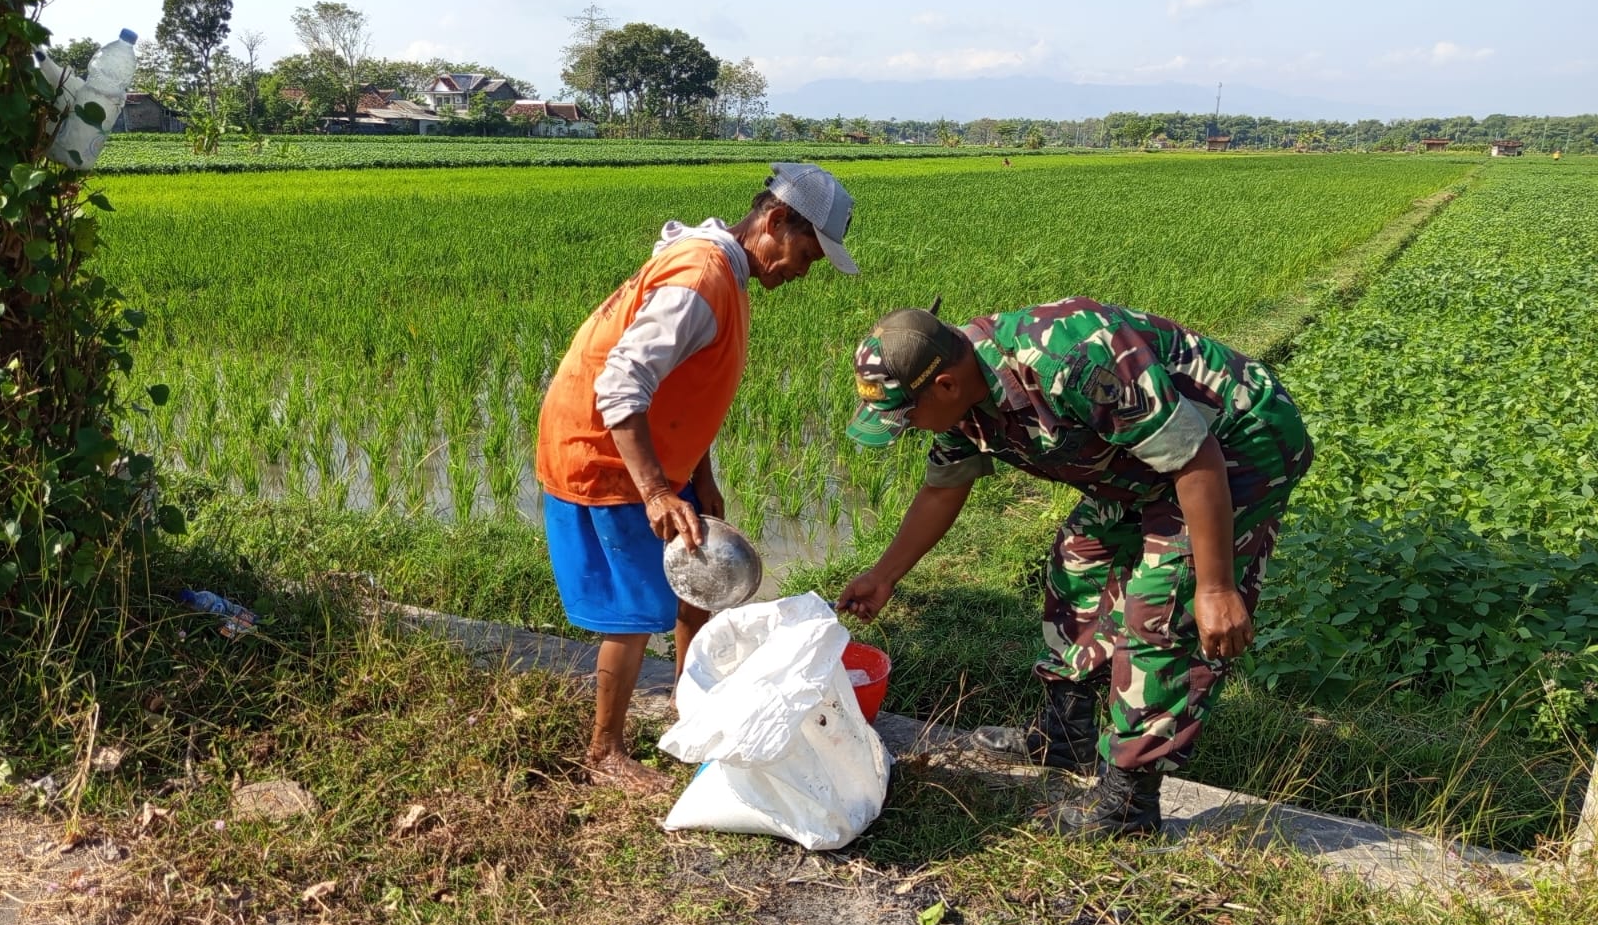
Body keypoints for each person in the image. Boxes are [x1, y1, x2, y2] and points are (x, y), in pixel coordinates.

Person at [836, 298, 1312, 837]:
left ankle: (1129, 804)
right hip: (1143, 460)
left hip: (1235, 445)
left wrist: (1216, 585)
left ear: (945, 384)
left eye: (907, 416)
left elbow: (1194, 457)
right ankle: (1066, 735)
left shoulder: (1074, 360)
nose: (909, 428)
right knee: (1079, 556)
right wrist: (884, 576)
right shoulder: (962, 398)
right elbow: (942, 490)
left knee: (1162, 607)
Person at [536, 164, 859, 796]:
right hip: (607, 453)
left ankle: (693, 711)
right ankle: (603, 752)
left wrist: (698, 477)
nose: (803, 271)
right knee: (634, 614)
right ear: (775, 222)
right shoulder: (701, 278)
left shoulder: (728, 275)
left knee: (700, 583)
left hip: (656, 452)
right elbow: (622, 384)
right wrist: (657, 491)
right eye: (807, 253)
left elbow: (686, 388)